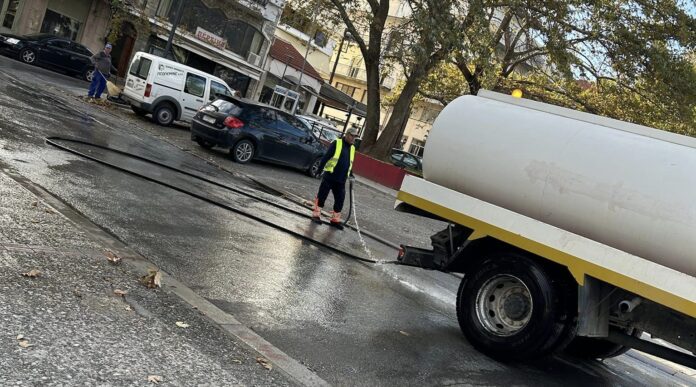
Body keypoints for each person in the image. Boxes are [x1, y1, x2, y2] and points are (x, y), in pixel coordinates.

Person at [312, 127, 358, 227]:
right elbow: (326, 157)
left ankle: (335, 220)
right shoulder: (337, 143)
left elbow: (349, 163)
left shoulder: (353, 148)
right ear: (347, 134)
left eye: (355, 136)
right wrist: (319, 170)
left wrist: (351, 174)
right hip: (330, 176)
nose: (353, 138)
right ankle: (316, 215)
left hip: (341, 180)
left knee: (340, 199)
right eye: (351, 135)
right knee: (322, 196)